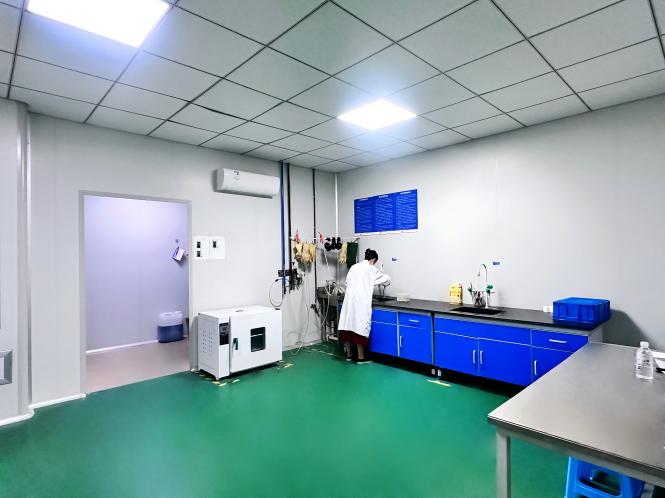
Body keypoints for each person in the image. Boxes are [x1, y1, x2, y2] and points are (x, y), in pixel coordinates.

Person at [338, 248, 391, 364]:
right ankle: (361, 357)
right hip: (361, 303)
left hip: (349, 302)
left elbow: (347, 282)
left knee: (347, 326)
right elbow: (386, 280)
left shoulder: (354, 267)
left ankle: (349, 354)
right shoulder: (371, 268)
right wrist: (384, 276)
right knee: (360, 328)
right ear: (373, 260)